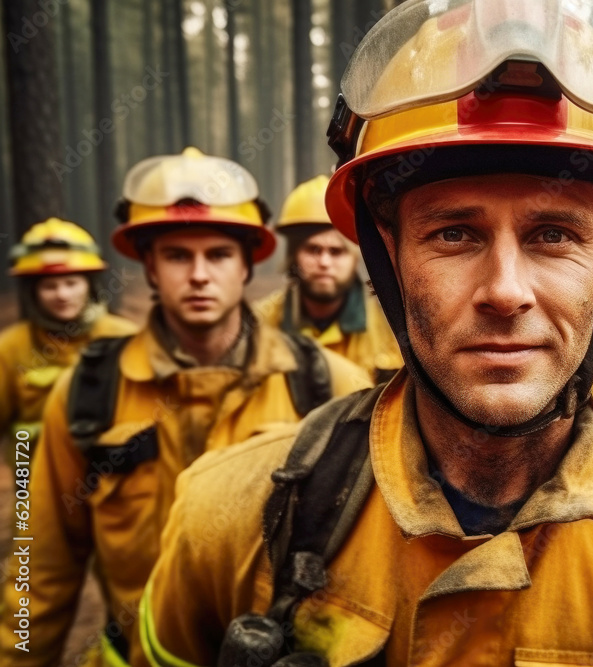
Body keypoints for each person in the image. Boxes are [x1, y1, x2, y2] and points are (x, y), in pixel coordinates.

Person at [138, 3, 593, 666]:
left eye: (553, 235)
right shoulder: (230, 518)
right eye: (454, 233)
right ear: (387, 256)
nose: (506, 292)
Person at [0, 148, 371, 667]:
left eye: (218, 254)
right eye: (177, 255)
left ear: (246, 265)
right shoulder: (87, 394)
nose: (199, 275)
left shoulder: (328, 385)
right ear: (149, 266)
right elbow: (40, 564)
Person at [0, 218, 136, 473]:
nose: (62, 295)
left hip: (111, 480)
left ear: (89, 285)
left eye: (71, 283)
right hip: (31, 479)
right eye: (50, 286)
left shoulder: (125, 337)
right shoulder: (10, 348)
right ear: (33, 292)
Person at [254, 175, 403, 382]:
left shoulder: (392, 329)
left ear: (355, 257)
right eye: (313, 250)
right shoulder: (260, 322)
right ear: (293, 255)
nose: (324, 262)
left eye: (336, 251)